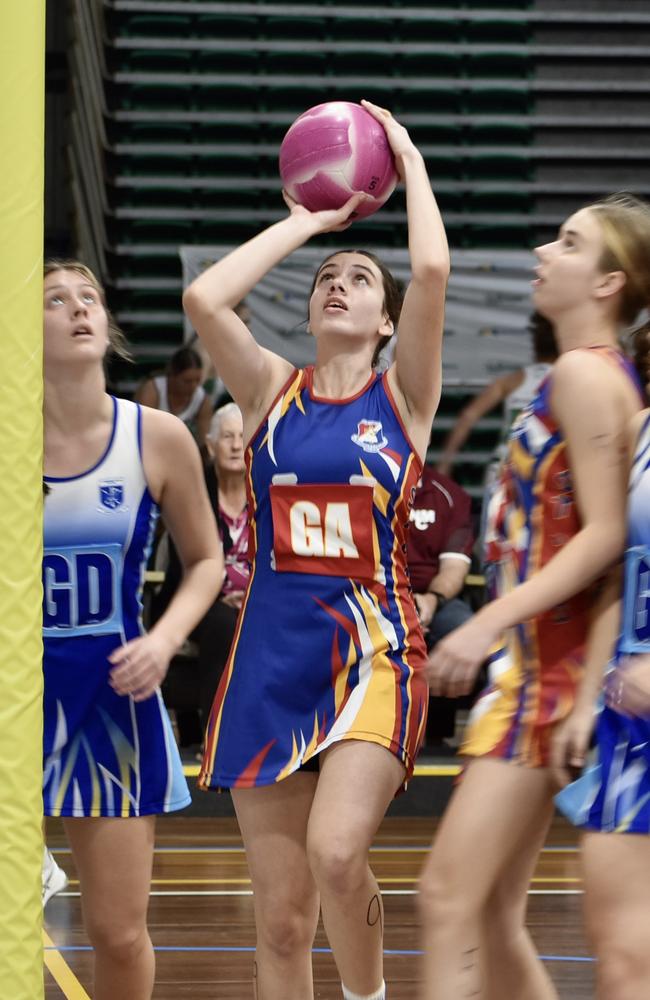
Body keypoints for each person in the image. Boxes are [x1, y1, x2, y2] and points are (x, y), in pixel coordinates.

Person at [183, 100, 449, 1000]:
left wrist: (404, 156)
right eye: (325, 277)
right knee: (283, 917)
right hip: (269, 660)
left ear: (385, 320)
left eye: (359, 278)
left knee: (339, 854)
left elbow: (433, 267)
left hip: (372, 651)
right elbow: (205, 298)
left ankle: (368, 996)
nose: (338, 283)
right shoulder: (268, 391)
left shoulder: (403, 399)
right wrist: (305, 219)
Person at [419, 193, 649, 1000]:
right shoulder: (589, 373)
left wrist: (482, 621)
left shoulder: (589, 374)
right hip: (547, 666)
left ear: (608, 284)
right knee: (488, 916)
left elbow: (605, 536)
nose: (545, 252)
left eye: (569, 243)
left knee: (446, 899)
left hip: (546, 672)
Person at [42, 260, 223, 999]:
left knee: (117, 932)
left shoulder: (157, 435)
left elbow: (208, 560)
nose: (79, 308)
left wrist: (163, 637)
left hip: (111, 698)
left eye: (90, 297)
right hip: (15, 695)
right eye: (55, 300)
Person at [552, 308, 650, 998]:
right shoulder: (637, 433)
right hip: (630, 720)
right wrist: (586, 700)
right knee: (618, 954)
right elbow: (619, 570)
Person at [153, 401, 250, 731]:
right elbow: (186, 565)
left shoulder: (266, 492)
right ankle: (217, 738)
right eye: (227, 437)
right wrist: (220, 594)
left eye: (242, 435)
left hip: (257, 600)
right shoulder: (196, 492)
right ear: (210, 446)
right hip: (199, 605)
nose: (236, 445)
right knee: (224, 623)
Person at [436, 311, 558, 479]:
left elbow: (468, 416)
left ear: (535, 342)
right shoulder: (572, 382)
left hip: (507, 468)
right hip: (549, 468)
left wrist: (444, 465)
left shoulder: (512, 380)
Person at [407, 465, 475, 746]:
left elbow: (453, 569)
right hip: (373, 591)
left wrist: (431, 600)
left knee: (461, 626)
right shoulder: (363, 482)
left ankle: (437, 731)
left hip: (430, 595)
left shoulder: (450, 495)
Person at [135, 344, 214, 451]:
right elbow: (142, 432)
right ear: (172, 376)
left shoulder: (202, 400)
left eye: (197, 381)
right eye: (187, 381)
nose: (193, 386)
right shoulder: (153, 390)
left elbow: (205, 442)